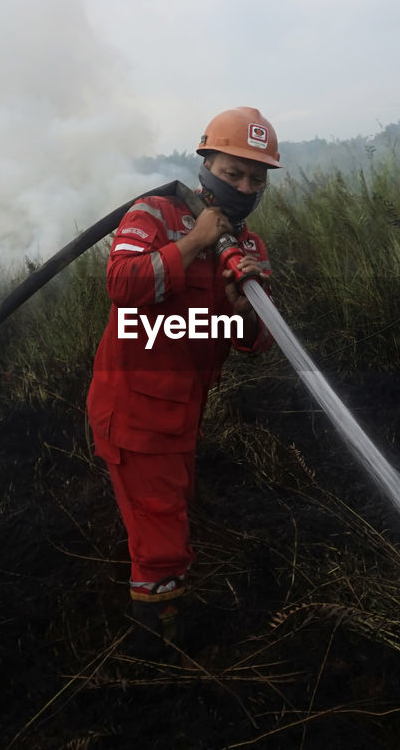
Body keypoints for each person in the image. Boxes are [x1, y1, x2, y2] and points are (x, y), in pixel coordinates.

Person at [86, 106, 280, 660]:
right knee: (162, 540)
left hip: (181, 409)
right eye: (233, 172)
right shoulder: (154, 214)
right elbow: (121, 284)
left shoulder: (250, 247)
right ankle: (159, 654)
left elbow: (253, 342)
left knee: (165, 507)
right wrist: (195, 241)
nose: (243, 187)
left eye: (255, 179)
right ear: (205, 163)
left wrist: (245, 308)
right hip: (134, 408)